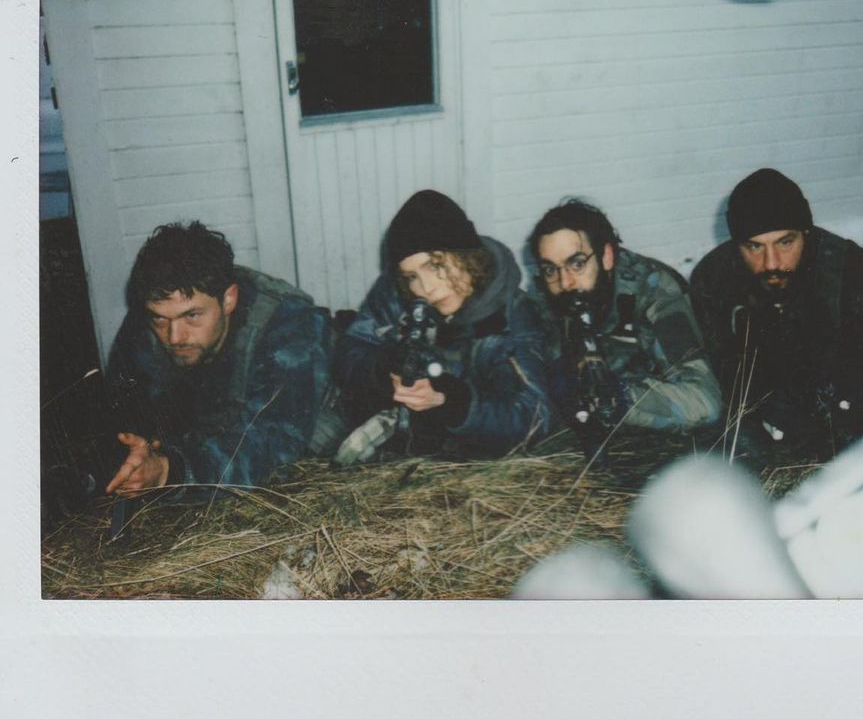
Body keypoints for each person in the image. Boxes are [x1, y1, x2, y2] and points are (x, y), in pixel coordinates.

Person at [104, 222, 344, 499]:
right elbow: (124, 411)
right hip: (214, 430)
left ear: (229, 299)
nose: (174, 337)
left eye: (192, 315)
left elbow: (274, 447)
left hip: (307, 432)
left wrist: (170, 472)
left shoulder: (288, 324)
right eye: (160, 319)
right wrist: (137, 455)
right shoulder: (151, 317)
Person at [690, 168, 863, 457]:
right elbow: (721, 369)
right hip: (765, 405)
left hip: (839, 402)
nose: (772, 263)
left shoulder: (854, 274)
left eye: (785, 242)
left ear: (806, 234)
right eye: (755, 247)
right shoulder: (713, 280)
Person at [333, 190, 551, 461]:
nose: (425, 288)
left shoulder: (513, 314)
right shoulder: (396, 293)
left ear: (467, 257)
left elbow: (534, 417)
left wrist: (453, 401)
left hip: (468, 457)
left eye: (435, 266)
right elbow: (350, 350)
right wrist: (383, 368)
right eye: (411, 276)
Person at [527, 198, 722, 445]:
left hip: (659, 432)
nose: (565, 282)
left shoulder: (655, 290)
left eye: (577, 264)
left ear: (607, 256)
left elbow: (704, 402)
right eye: (550, 269)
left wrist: (620, 398)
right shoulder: (545, 298)